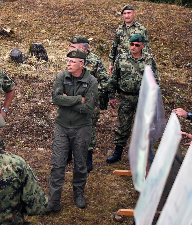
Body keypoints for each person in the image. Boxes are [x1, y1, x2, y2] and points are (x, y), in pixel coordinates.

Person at [45, 49, 98, 213]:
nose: (68, 64)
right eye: (67, 61)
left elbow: (89, 108)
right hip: (61, 126)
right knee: (57, 164)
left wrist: (66, 100)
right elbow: (56, 99)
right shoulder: (61, 76)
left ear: (81, 64)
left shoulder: (91, 81)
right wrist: (77, 99)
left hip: (82, 128)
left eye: (72, 62)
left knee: (81, 164)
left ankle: (79, 194)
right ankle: (54, 200)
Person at [106, 34, 159, 164]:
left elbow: (155, 80)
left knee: (144, 127)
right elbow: (114, 79)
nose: (133, 47)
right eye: (131, 44)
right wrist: (112, 96)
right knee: (123, 125)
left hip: (144, 98)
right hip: (125, 97)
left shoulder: (148, 59)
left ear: (143, 46)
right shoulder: (121, 58)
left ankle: (144, 154)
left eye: (136, 45)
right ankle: (118, 153)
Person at [69, 35, 109, 173]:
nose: (70, 49)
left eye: (73, 47)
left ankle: (88, 158)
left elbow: (105, 82)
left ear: (82, 48)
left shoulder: (95, 61)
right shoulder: (72, 59)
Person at [108, 5, 149, 74]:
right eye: (125, 13)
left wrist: (144, 63)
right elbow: (114, 47)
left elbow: (145, 47)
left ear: (134, 14)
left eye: (129, 13)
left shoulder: (141, 29)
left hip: (136, 65)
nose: (127, 15)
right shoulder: (119, 29)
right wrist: (111, 63)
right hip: (121, 64)